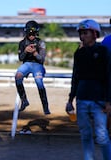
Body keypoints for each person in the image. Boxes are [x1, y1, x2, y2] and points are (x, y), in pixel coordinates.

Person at [66, 19, 111, 160]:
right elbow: (75, 77)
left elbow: (109, 77)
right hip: (81, 100)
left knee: (102, 137)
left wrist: (109, 101)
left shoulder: (104, 52)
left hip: (100, 102)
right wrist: (70, 100)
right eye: (80, 34)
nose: (82, 36)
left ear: (94, 34)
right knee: (85, 136)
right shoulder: (78, 54)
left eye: (85, 33)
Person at [15, 20, 50, 115]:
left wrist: (35, 53)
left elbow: (42, 59)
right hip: (26, 64)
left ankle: (45, 106)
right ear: (26, 33)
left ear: (37, 33)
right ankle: (24, 100)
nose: (32, 35)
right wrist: (25, 51)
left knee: (39, 82)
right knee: (18, 76)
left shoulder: (41, 43)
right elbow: (20, 58)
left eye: (34, 33)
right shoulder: (22, 43)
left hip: (38, 65)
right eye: (29, 33)